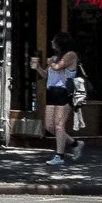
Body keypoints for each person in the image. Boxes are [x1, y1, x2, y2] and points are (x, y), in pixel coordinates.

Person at [40, 34, 82, 166]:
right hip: (52, 92)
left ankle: (59, 156)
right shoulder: (54, 58)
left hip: (64, 92)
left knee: (59, 125)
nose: (51, 41)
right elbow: (46, 75)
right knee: (49, 126)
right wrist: (37, 68)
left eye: (54, 40)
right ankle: (75, 143)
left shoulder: (71, 55)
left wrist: (50, 63)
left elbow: (58, 67)